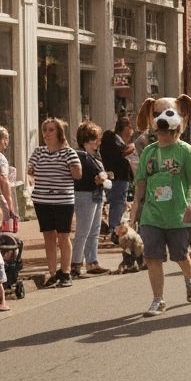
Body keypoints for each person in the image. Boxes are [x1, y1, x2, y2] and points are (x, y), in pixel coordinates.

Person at [131, 111, 191, 316]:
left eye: (169, 132)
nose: (165, 136)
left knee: (181, 256)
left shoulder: (186, 151)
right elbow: (141, 181)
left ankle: (190, 280)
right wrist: (135, 208)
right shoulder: (149, 152)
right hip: (152, 215)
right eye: (161, 132)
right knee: (153, 258)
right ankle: (158, 299)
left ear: (177, 130)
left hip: (178, 216)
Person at [27, 118, 82, 288]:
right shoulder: (38, 152)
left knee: (63, 236)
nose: (47, 134)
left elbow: (78, 175)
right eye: (45, 130)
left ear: (59, 133)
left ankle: (65, 272)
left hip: (62, 200)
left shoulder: (69, 153)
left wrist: (70, 164)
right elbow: (30, 171)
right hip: (42, 200)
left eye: (51, 130)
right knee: (48, 236)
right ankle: (52, 272)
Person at [72, 121, 110, 277]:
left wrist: (103, 177)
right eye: (95, 138)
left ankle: (92, 261)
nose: (98, 142)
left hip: (96, 194)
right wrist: (98, 178)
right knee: (83, 230)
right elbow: (80, 177)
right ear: (87, 139)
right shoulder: (80, 156)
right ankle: (76, 263)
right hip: (85, 194)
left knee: (94, 230)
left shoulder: (94, 156)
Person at [100, 118, 136, 243]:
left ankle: (115, 228)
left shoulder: (117, 139)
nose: (131, 129)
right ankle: (114, 230)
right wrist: (130, 149)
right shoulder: (111, 137)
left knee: (119, 203)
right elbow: (117, 154)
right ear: (124, 127)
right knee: (117, 203)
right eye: (129, 126)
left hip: (120, 177)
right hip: (117, 177)